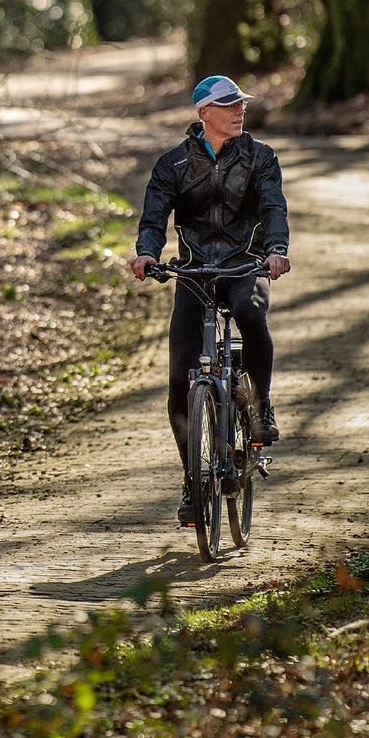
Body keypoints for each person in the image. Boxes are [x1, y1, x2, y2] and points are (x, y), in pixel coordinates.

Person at [130, 75, 291, 527]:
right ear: (204, 113)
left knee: (249, 315)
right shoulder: (173, 163)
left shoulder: (261, 157)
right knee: (180, 383)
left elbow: (274, 208)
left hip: (245, 266)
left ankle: (260, 405)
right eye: (228, 104)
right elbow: (155, 214)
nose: (239, 110)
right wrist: (147, 252)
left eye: (241, 103)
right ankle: (191, 481)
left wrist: (275, 251)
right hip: (195, 272)